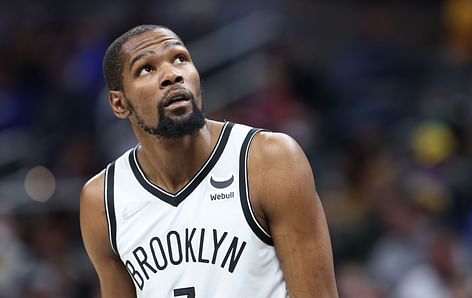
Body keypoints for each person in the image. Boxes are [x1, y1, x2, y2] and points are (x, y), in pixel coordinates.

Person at [80, 24, 338, 298]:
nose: (171, 74)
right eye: (146, 68)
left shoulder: (268, 159)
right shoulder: (102, 200)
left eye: (180, 58)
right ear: (119, 104)